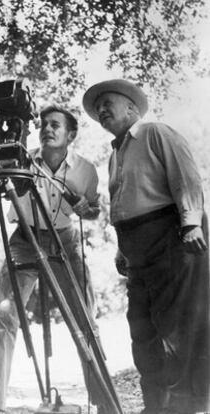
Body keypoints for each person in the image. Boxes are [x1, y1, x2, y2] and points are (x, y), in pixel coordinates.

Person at [82, 79, 210, 414]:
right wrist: (123, 250)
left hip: (173, 238)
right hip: (137, 249)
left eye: (108, 103)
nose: (102, 111)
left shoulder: (155, 133)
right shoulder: (115, 156)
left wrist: (191, 222)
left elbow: (186, 177)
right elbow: (124, 207)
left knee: (178, 327)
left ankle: (184, 406)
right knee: (143, 329)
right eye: (98, 110)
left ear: (132, 108)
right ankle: (156, 405)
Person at [0, 104, 104, 414]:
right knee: (4, 316)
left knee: (85, 319)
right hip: (25, 238)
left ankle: (104, 400)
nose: (47, 128)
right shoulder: (22, 159)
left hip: (65, 241)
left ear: (70, 134)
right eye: (43, 123)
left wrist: (89, 208)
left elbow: (97, 210)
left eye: (55, 124)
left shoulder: (86, 170)